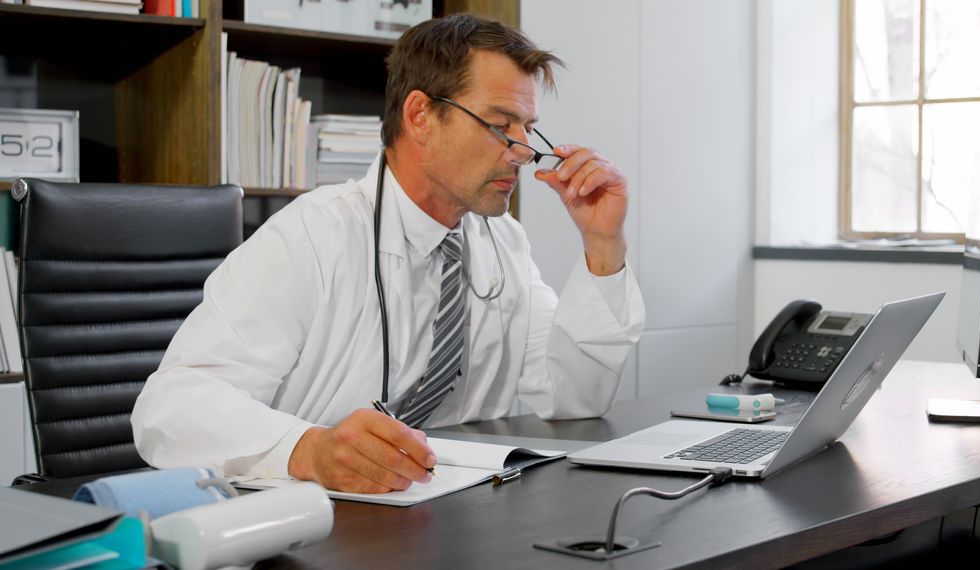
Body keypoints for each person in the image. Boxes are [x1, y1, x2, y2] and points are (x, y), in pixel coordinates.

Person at [131, 13, 645, 494]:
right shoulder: (310, 237)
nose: (523, 150)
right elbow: (168, 409)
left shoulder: (502, 241)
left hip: (448, 511)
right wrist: (309, 449)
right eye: (500, 124)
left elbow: (573, 399)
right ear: (421, 115)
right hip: (314, 519)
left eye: (527, 129)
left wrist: (603, 244)